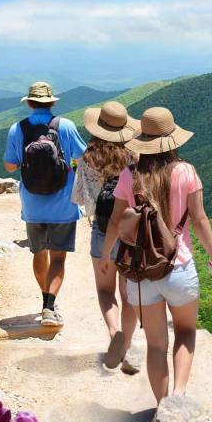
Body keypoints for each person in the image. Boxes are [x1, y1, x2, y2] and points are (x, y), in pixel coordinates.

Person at [101, 107, 212, 403]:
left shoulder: (129, 176)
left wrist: (107, 256)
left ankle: (161, 408)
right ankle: (178, 397)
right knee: (185, 332)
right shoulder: (186, 172)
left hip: (141, 272)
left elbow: (116, 221)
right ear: (172, 140)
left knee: (156, 345)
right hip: (179, 268)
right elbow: (199, 219)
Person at [3, 81, 86, 327]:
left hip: (32, 204)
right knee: (58, 257)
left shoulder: (17, 128)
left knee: (39, 252)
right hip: (63, 204)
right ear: (52, 102)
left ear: (29, 103)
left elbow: (9, 165)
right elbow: (81, 158)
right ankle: (49, 307)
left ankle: (46, 300)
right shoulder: (66, 126)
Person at [72, 101, 141, 373]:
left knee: (104, 290)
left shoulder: (88, 158)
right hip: (130, 233)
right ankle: (128, 344)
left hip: (102, 231)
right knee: (128, 294)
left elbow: (81, 200)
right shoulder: (134, 158)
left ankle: (114, 334)